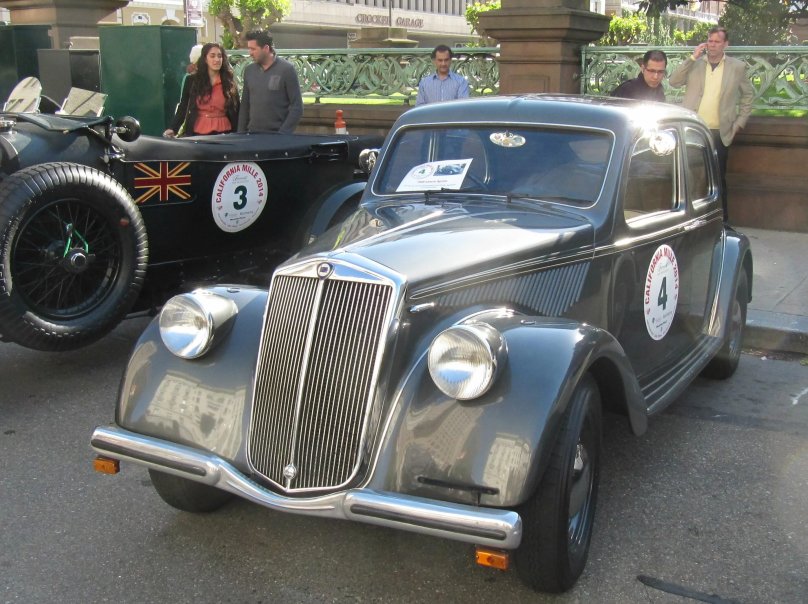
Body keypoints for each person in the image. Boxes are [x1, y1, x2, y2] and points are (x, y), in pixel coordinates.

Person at [668, 26, 754, 222]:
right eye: (710, 41)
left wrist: (739, 123)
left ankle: (721, 221)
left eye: (716, 41)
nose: (712, 45)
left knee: (717, 178)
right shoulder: (696, 64)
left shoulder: (737, 67)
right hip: (693, 129)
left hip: (719, 132)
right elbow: (673, 81)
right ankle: (687, 220)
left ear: (726, 45)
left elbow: (748, 96)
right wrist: (692, 58)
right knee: (689, 176)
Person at [163, 42, 240, 138]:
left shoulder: (229, 82)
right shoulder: (191, 81)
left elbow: (237, 111)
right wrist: (173, 128)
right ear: (205, 59)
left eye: (219, 56)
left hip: (225, 134)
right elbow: (183, 107)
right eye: (212, 56)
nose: (217, 59)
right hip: (197, 133)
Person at [237, 31, 303, 134]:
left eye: (253, 49)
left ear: (266, 48)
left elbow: (297, 106)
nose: (250, 53)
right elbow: (245, 105)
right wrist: (240, 133)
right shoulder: (249, 70)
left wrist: (283, 134)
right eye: (249, 49)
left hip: (276, 136)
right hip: (252, 135)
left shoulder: (287, 69)